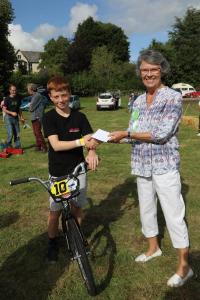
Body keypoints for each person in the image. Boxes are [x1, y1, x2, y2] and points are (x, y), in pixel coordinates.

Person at [109, 50, 193, 287]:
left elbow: (161, 134)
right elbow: (134, 133)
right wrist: (110, 138)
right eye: (144, 70)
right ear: (140, 73)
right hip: (141, 164)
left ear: (161, 71)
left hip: (164, 165)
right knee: (146, 209)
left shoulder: (173, 98)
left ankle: (185, 267)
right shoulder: (136, 101)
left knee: (173, 214)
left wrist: (126, 133)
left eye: (153, 70)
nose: (148, 74)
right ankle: (153, 247)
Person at [42, 76, 99, 263]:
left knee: (77, 207)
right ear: (50, 97)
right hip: (58, 172)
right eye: (56, 96)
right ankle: (52, 242)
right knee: (55, 211)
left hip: (78, 170)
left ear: (69, 94)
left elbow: (90, 138)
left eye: (64, 95)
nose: (61, 100)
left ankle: (77, 237)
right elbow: (56, 145)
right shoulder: (48, 117)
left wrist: (91, 151)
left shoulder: (79, 117)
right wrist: (82, 142)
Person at [27, 83, 47, 152]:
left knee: (38, 132)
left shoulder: (37, 96)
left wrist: (29, 106)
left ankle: (44, 147)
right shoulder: (34, 96)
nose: (27, 91)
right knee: (35, 132)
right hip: (34, 117)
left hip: (37, 117)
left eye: (28, 89)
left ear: (31, 89)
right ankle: (38, 146)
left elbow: (31, 108)